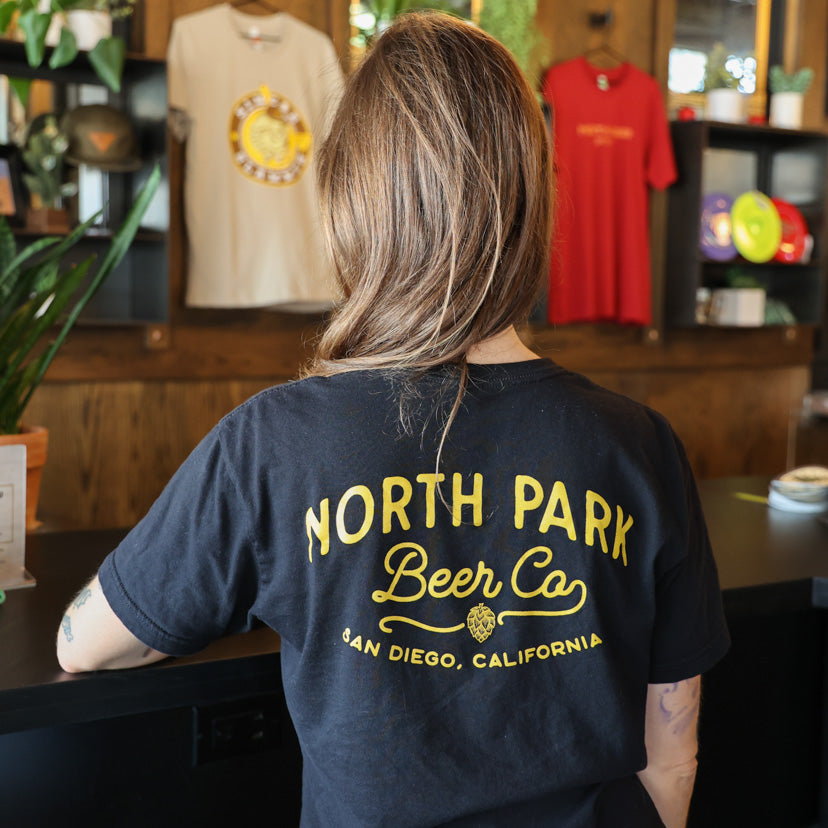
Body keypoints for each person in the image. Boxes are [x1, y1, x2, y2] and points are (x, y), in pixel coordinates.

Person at [56, 12, 729, 827]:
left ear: (352, 202)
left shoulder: (272, 443)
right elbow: (673, 754)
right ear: (534, 197)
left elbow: (85, 643)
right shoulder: (640, 444)